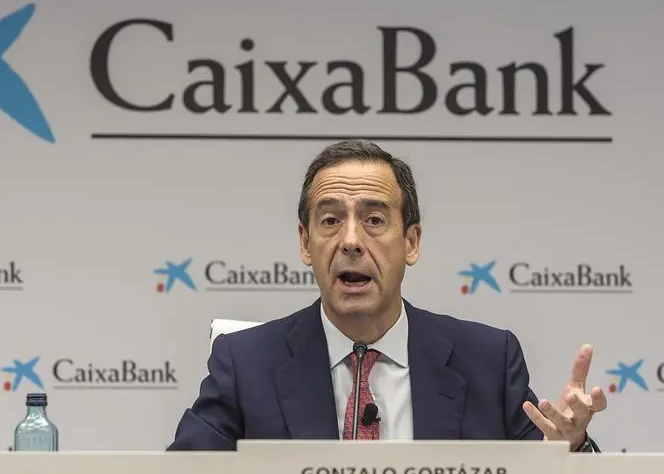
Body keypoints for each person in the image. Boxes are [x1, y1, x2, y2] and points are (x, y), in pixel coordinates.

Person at [167, 139, 607, 451]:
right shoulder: (245, 364)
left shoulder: (489, 361)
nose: (351, 241)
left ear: (411, 242)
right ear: (305, 243)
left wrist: (570, 449)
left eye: (374, 220)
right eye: (330, 221)